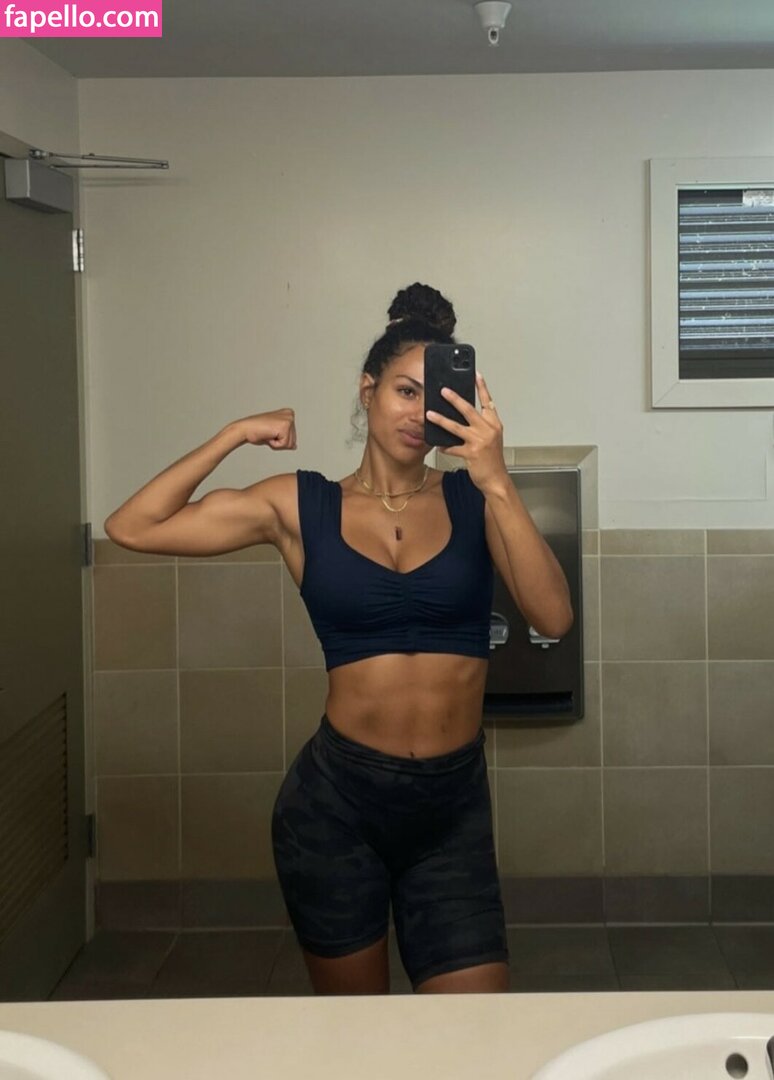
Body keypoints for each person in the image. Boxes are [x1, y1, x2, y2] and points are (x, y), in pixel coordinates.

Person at [104, 282, 573, 996]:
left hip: (451, 811)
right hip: (335, 810)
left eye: (433, 397)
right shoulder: (302, 505)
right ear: (367, 390)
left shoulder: (475, 501)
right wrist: (234, 433)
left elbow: (553, 618)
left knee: (475, 1034)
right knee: (358, 1037)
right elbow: (132, 527)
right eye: (404, 391)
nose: (417, 413)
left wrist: (498, 480)